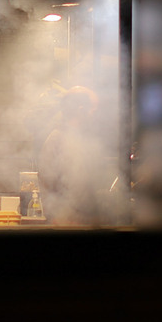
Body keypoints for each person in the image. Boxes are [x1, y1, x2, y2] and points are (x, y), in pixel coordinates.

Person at [37, 86, 105, 225]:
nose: (95, 114)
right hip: (67, 222)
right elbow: (46, 183)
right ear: (81, 110)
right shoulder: (57, 139)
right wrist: (58, 217)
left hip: (87, 221)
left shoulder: (86, 139)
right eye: (93, 109)